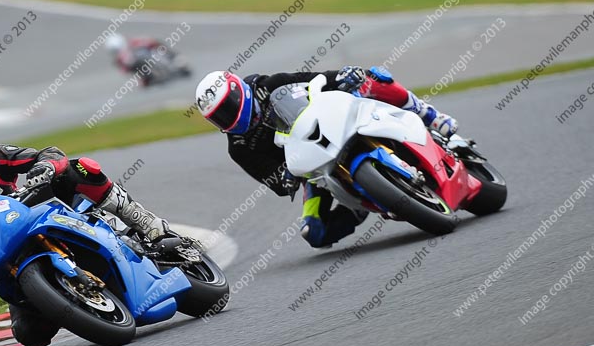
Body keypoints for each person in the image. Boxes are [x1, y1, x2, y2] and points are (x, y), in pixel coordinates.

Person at [0, 120, 184, 346]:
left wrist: (44, 168)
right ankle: (68, 300)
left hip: (40, 212)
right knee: (29, 335)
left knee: (79, 169)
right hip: (10, 258)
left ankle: (149, 226)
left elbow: (50, 153)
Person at [195, 66, 458, 248]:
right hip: (312, 168)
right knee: (314, 232)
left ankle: (431, 116)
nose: (228, 117)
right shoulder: (239, 148)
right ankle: (358, 207)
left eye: (229, 107)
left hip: (331, 123)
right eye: (220, 116)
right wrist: (285, 177)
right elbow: (274, 182)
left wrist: (342, 75)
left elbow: (313, 79)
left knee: (373, 78)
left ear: (239, 90)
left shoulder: (267, 84)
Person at [105, 33, 188, 86]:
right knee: (143, 82)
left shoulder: (134, 42)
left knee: (159, 45)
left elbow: (153, 42)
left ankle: (174, 57)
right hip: (144, 71)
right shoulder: (119, 60)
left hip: (153, 55)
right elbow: (125, 72)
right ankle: (151, 76)